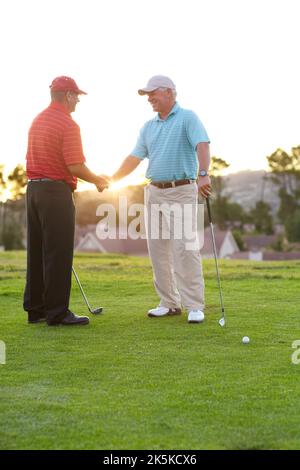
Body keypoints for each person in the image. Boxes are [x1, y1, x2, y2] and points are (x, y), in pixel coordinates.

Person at [111, 75, 211, 324]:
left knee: (185, 249)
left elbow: (202, 144)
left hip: (182, 190)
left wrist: (204, 174)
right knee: (158, 250)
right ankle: (169, 303)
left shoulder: (188, 117)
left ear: (169, 92)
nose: (149, 99)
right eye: (147, 95)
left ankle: (194, 305)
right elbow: (134, 157)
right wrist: (112, 179)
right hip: (154, 191)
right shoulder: (148, 127)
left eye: (152, 93)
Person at [24, 76, 109, 326]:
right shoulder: (67, 124)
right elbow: (75, 166)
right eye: (77, 96)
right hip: (55, 193)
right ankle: (58, 312)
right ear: (68, 95)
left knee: (38, 251)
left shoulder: (38, 120)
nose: (79, 101)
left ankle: (36, 309)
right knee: (58, 253)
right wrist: (97, 180)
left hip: (33, 192)